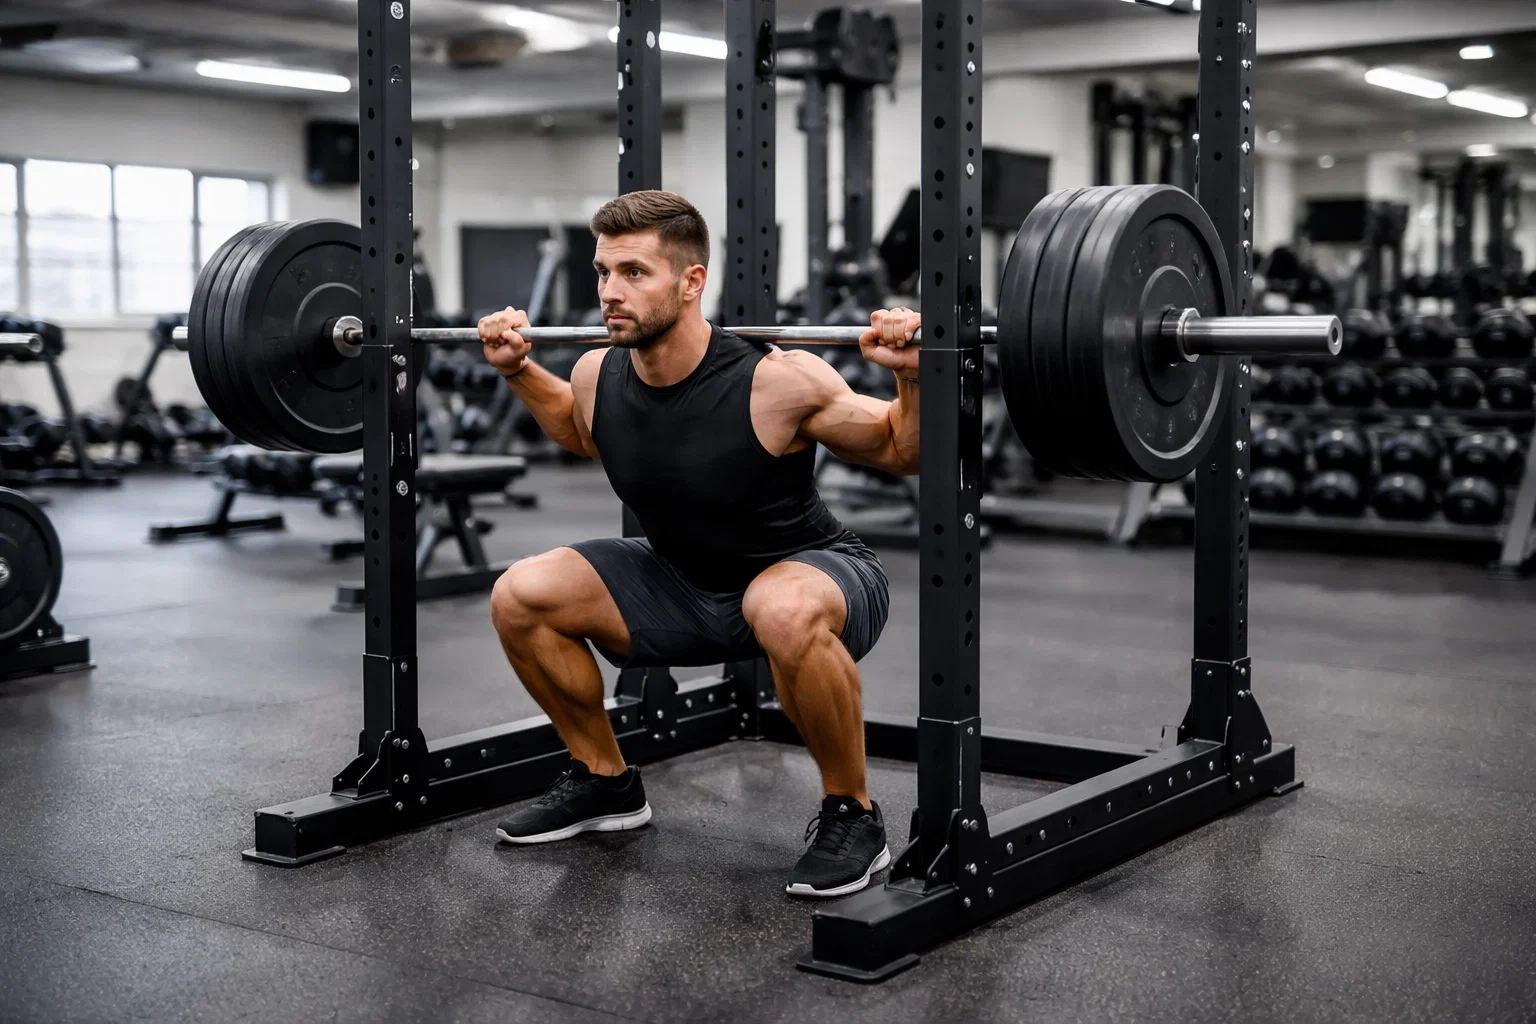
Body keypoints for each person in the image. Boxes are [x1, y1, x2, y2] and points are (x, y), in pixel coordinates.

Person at [479, 189, 921, 899]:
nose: (609, 292)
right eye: (602, 272)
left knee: (775, 604)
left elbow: (902, 449)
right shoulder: (600, 370)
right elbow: (579, 428)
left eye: (633, 273)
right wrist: (518, 369)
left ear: (691, 283)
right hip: (682, 579)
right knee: (521, 595)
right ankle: (605, 782)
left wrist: (911, 375)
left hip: (813, 572)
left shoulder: (777, 379)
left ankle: (853, 814)